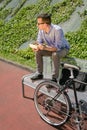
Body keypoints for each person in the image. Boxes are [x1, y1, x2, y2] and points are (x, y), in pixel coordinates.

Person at [30, 13, 70, 82]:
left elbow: (57, 48)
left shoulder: (57, 30)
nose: (37, 25)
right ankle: (39, 73)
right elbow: (39, 41)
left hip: (63, 49)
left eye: (39, 23)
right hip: (51, 48)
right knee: (38, 52)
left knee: (55, 54)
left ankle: (54, 78)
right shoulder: (41, 30)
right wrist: (37, 46)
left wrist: (44, 48)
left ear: (45, 24)